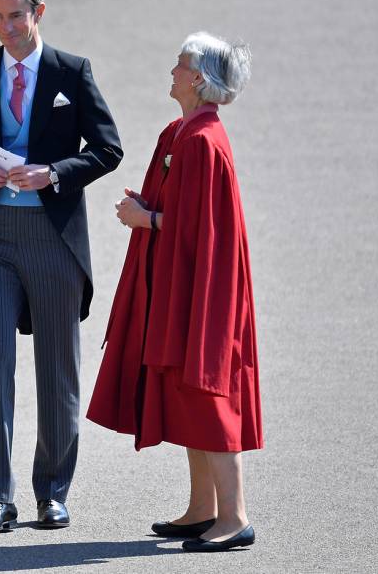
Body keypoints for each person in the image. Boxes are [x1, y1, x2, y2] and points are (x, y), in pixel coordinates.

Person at [0, 0, 122, 533]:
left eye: (16, 15)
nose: (6, 28)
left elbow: (108, 148)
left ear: (38, 13)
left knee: (57, 368)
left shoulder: (71, 72)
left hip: (55, 241)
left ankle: (53, 492)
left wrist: (56, 173)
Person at [86, 32, 262, 552]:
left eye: (181, 63)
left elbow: (204, 230)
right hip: (179, 282)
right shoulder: (180, 131)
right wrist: (150, 208)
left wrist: (148, 218)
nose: (173, 68)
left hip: (204, 289)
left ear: (200, 78)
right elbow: (185, 212)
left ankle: (234, 517)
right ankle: (202, 509)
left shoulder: (204, 140)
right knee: (186, 392)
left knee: (210, 393)